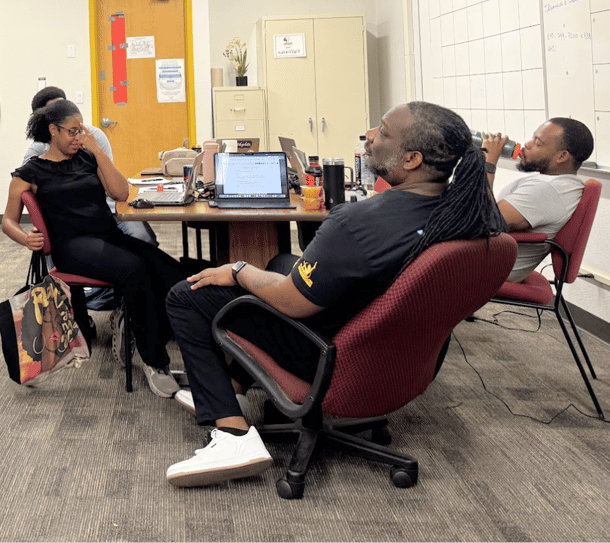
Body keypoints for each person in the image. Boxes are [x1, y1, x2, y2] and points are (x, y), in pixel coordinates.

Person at [164, 101, 505, 487]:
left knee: (187, 294)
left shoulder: (357, 223)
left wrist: (238, 270)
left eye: (383, 131)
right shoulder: (471, 215)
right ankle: (235, 388)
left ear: (412, 159)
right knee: (281, 262)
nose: (370, 136)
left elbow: (292, 302)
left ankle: (232, 435)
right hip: (396, 353)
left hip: (329, 354)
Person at [2, 99, 187, 398]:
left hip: (107, 235)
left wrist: (98, 151)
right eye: (72, 131)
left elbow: (121, 193)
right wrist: (25, 238)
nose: (78, 137)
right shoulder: (30, 173)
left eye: (81, 130)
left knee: (170, 271)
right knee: (134, 270)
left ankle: (156, 331)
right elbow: (7, 221)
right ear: (53, 130)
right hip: (72, 247)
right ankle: (153, 360)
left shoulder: (88, 158)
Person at [21, 86, 158, 247]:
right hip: (72, 222)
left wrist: (96, 150)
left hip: (109, 208)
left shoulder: (93, 137)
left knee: (144, 241)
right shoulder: (37, 152)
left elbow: (115, 186)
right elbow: (29, 190)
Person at [481, 118, 593, 282]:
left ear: (562, 156)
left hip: (484, 268)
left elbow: (486, 221)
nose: (527, 144)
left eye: (537, 143)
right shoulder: (559, 183)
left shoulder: (548, 189)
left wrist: (489, 163)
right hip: (485, 256)